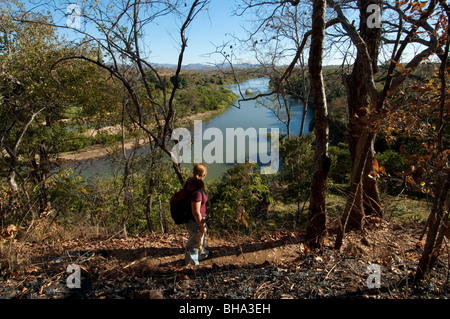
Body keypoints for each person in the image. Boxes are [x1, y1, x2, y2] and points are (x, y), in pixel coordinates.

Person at [185, 163, 210, 266]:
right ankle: (192, 264)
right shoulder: (196, 191)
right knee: (195, 241)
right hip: (195, 219)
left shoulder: (191, 184)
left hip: (196, 218)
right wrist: (201, 224)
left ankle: (201, 254)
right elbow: (196, 212)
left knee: (200, 238)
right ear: (203, 175)